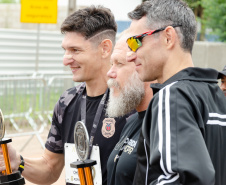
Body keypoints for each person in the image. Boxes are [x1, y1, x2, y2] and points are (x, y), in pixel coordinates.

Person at [0, 6, 129, 185]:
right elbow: (50, 169)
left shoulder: (131, 103)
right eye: (65, 50)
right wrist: (19, 162)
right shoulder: (66, 102)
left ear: (105, 48)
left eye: (75, 50)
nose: (66, 59)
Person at [126, 0, 226, 185]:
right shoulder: (217, 96)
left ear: (168, 37)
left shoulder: (172, 96)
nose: (130, 54)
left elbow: (184, 178)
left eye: (135, 41)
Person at [105, 31, 156, 185]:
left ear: (142, 67)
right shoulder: (132, 120)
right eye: (111, 64)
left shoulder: (162, 126)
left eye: (119, 64)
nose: (110, 73)